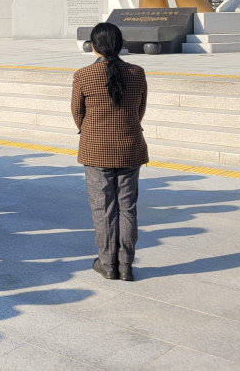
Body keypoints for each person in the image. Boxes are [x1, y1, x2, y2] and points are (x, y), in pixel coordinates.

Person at [72, 22, 148, 283]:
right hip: (130, 147)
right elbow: (139, 110)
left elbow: (77, 114)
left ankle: (107, 263)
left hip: (96, 150)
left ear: (93, 46)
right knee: (127, 207)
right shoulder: (137, 72)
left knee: (102, 208)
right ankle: (126, 265)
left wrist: (93, 132)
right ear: (120, 44)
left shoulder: (83, 75)